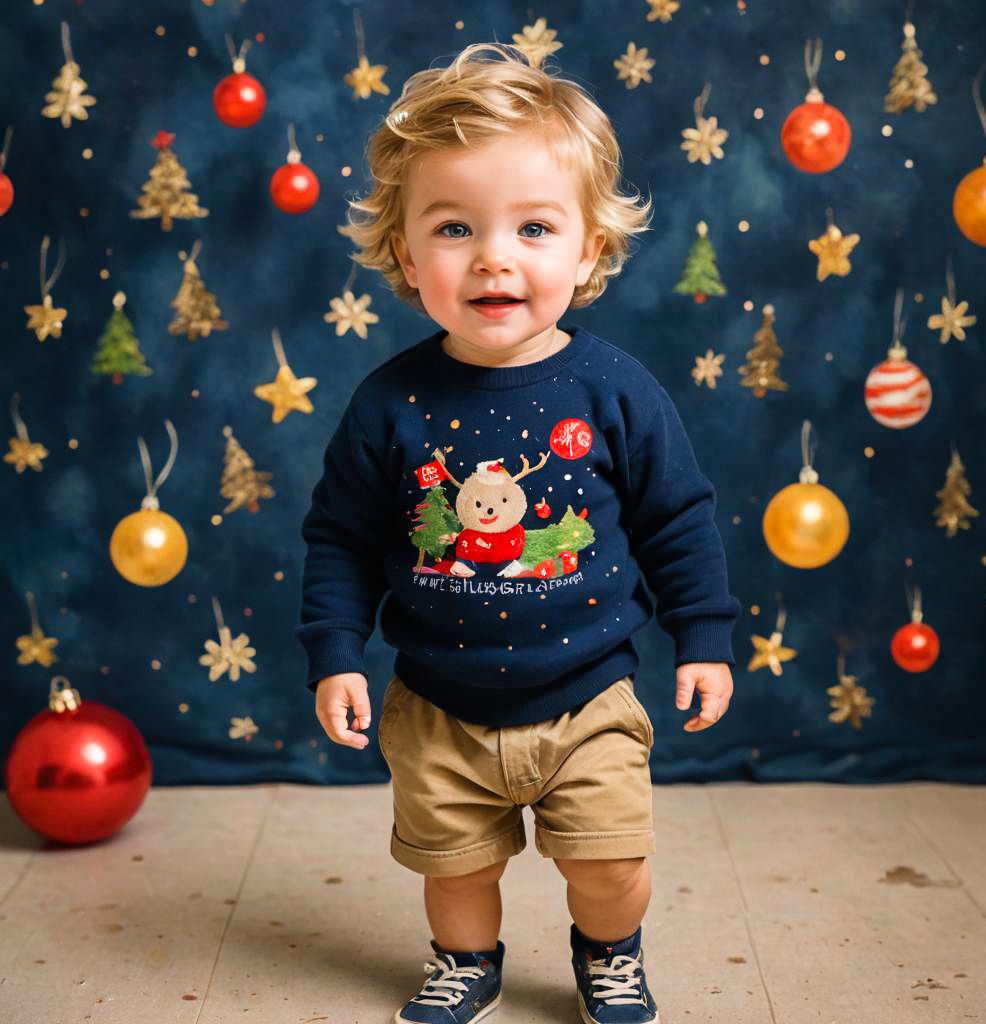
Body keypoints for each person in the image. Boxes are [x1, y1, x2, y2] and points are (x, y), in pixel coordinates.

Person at [295, 41, 742, 1024]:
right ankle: (466, 961)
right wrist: (336, 654)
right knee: (452, 868)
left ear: (586, 250)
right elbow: (340, 538)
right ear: (409, 257)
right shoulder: (389, 404)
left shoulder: (615, 389)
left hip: (589, 695)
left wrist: (702, 636)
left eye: (533, 227)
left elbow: (676, 516)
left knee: (611, 861)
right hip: (439, 703)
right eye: (455, 228)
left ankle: (608, 950)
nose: (494, 255)